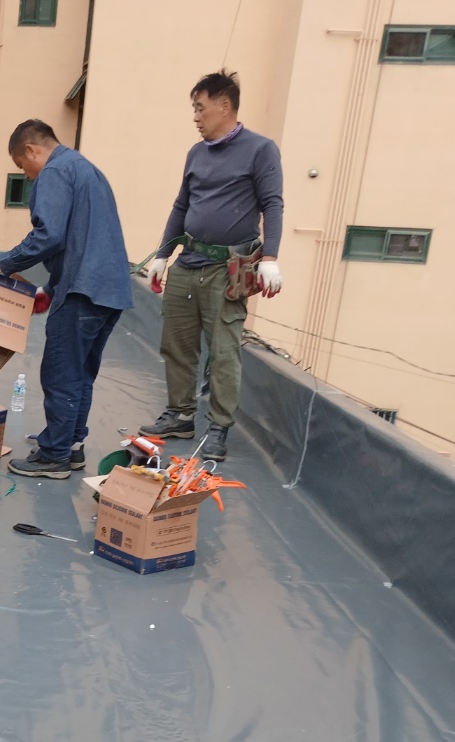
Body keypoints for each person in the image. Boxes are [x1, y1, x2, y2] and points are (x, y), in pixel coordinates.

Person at [0, 120, 133, 479]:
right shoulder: (86, 169)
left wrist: (2, 263)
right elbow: (82, 237)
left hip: (82, 291)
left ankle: (54, 455)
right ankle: (72, 445)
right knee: (81, 372)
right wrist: (51, 286)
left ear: (31, 150)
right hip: (109, 290)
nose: (27, 175)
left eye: (21, 166)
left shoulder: (54, 171)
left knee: (61, 372)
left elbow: (50, 236)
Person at [140, 69, 284, 462]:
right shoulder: (196, 153)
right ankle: (180, 414)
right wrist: (163, 254)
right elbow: (181, 205)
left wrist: (270, 258)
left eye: (200, 108)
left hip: (226, 269)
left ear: (224, 106)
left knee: (223, 352)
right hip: (188, 262)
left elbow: (272, 204)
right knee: (176, 343)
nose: (196, 117)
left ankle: (218, 426)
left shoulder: (260, 150)